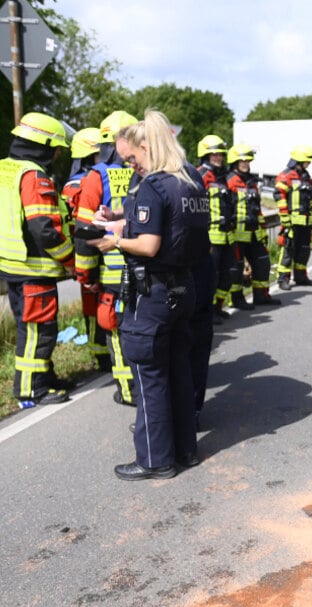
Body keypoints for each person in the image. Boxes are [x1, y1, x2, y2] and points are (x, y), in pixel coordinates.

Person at [89, 110, 206, 480]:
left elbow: (150, 244)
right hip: (186, 287)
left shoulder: (155, 185)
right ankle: (186, 451)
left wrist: (114, 241)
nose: (131, 165)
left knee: (149, 377)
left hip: (154, 293)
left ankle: (155, 460)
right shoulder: (192, 181)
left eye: (133, 158)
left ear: (146, 147)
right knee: (179, 372)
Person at [0, 112, 75, 407]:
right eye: (56, 148)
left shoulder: (6, 169)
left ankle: (43, 377)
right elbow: (45, 229)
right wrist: (69, 260)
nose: (57, 154)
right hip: (34, 267)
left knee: (28, 327)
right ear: (42, 145)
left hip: (11, 263)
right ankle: (32, 389)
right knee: (39, 330)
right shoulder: (34, 177)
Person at [75, 110, 140, 406]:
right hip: (148, 267)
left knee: (116, 331)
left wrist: (86, 276)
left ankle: (128, 391)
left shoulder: (96, 176)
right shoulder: (146, 171)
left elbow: (86, 233)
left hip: (114, 273)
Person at [62, 128, 110, 372]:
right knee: (94, 305)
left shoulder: (77, 183)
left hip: (94, 250)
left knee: (101, 304)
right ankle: (100, 353)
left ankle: (103, 351)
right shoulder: (82, 183)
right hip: (89, 250)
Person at [226, 144, 280, 308]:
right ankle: (236, 299)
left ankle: (261, 296)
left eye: (248, 161)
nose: (246, 164)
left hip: (254, 232)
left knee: (262, 262)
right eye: (242, 161)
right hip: (237, 233)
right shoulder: (229, 181)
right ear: (234, 162)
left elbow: (257, 209)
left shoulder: (251, 182)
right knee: (236, 268)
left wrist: (262, 231)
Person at [195, 134, 234, 323]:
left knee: (226, 275)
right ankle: (207, 313)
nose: (218, 157)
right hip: (210, 237)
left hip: (227, 235)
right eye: (214, 155)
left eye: (220, 154)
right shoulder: (200, 175)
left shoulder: (222, 176)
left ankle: (218, 308)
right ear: (205, 155)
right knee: (209, 278)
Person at [274, 144, 312, 290]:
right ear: (299, 160)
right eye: (307, 161)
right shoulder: (286, 176)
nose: (309, 163)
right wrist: (285, 219)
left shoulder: (306, 177)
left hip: (305, 222)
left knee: (303, 251)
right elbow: (279, 196)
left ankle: (300, 276)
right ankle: (282, 279)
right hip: (291, 223)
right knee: (288, 251)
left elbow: (309, 200)